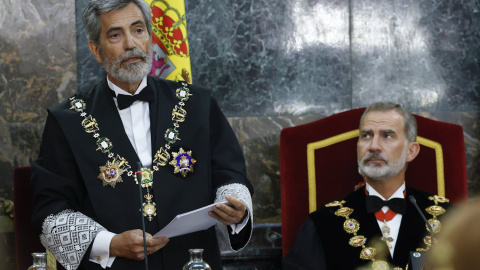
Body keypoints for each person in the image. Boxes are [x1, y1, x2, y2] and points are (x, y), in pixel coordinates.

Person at [30, 1, 254, 269]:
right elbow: (50, 210)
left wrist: (237, 208)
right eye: (115, 35)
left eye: (138, 30)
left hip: (193, 263)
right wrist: (110, 243)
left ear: (149, 37)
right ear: (96, 50)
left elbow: (231, 175)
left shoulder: (198, 104)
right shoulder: (66, 120)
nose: (130, 44)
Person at [283, 102, 450, 270]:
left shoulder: (448, 219)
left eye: (387, 135)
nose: (373, 146)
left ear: (411, 151)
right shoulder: (324, 224)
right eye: (366, 136)